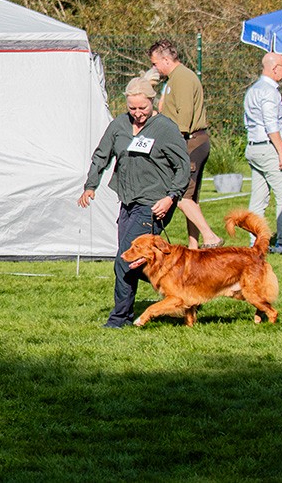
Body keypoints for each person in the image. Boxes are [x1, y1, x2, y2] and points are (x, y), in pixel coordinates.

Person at [78, 76, 191, 328]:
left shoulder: (165, 129)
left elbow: (183, 166)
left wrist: (171, 197)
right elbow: (101, 155)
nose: (138, 113)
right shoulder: (119, 125)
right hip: (127, 203)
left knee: (124, 260)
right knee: (134, 260)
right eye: (132, 108)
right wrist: (90, 185)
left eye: (143, 108)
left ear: (152, 103)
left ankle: (119, 319)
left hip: (153, 205)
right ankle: (183, 287)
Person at [148, 39, 224, 249]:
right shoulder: (175, 78)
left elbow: (185, 115)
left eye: (155, 63)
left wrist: (175, 146)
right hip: (192, 141)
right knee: (191, 199)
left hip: (189, 142)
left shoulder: (181, 78)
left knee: (180, 195)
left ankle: (211, 237)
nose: (154, 68)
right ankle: (194, 245)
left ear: (165, 59)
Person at [243, 51, 282, 254]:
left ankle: (254, 242)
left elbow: (258, 121)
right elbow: (269, 124)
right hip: (267, 148)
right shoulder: (270, 91)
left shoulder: (253, 89)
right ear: (274, 68)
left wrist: (281, 131)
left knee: (258, 198)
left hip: (253, 146)